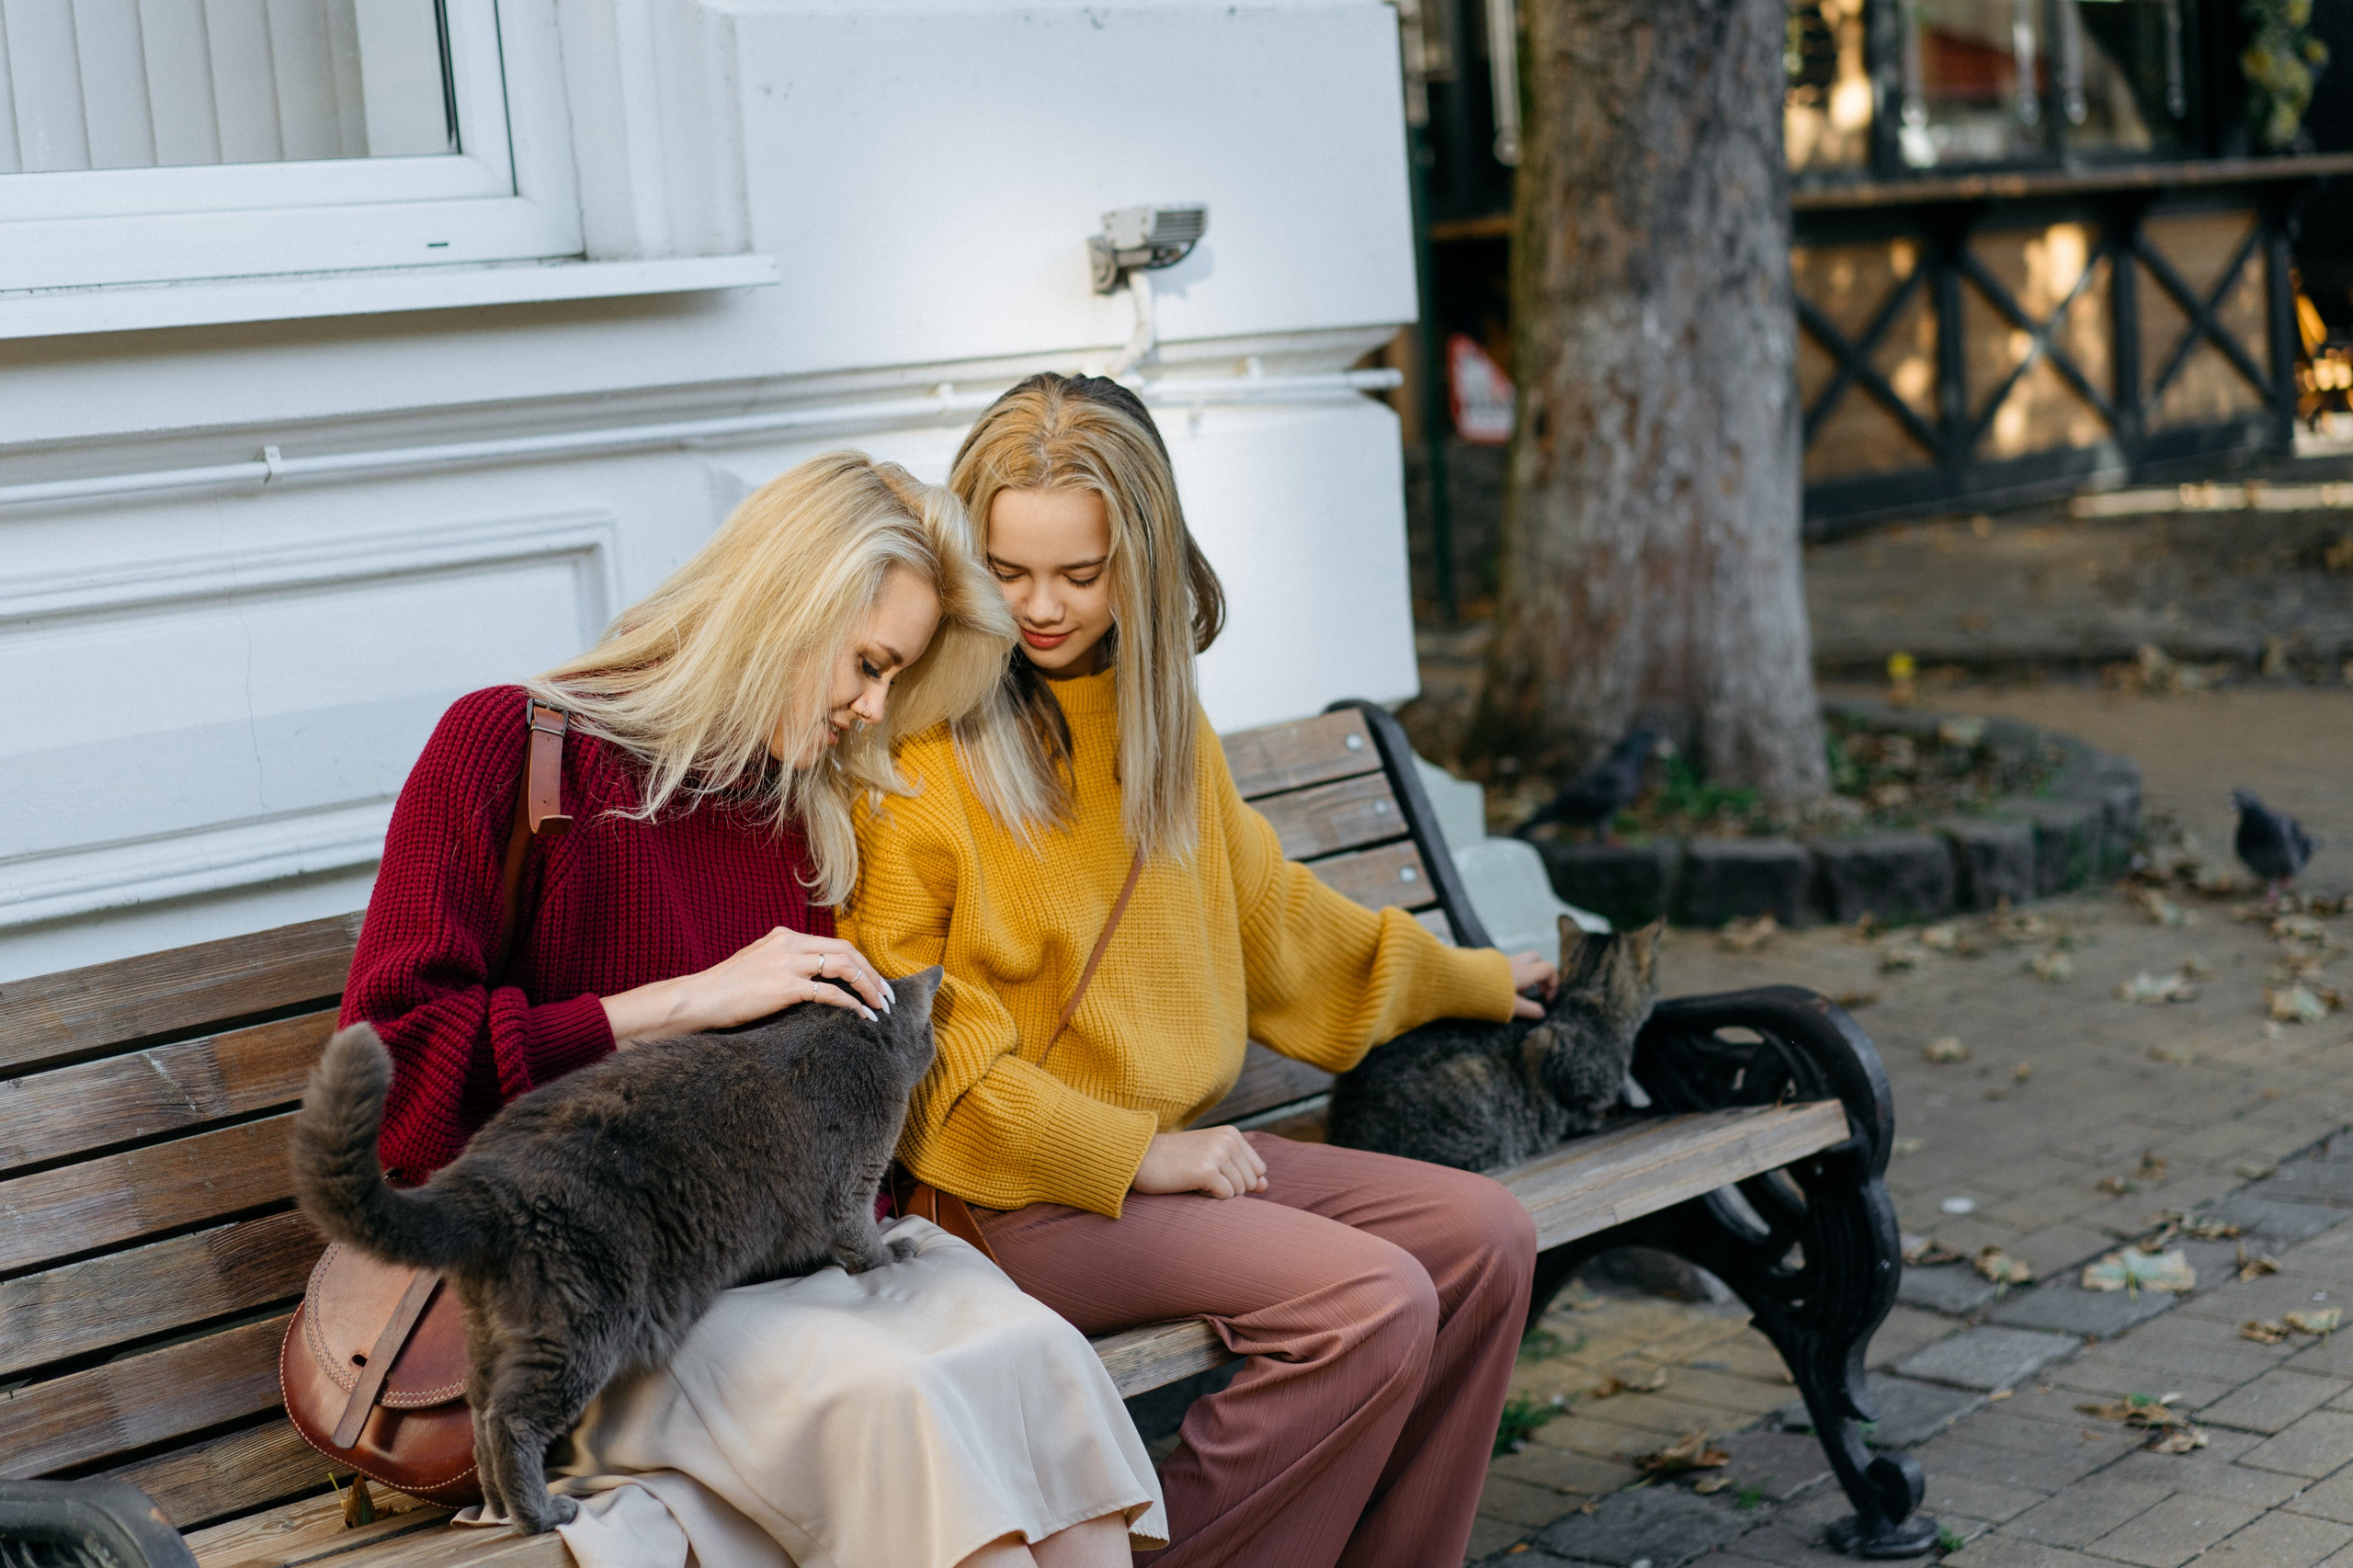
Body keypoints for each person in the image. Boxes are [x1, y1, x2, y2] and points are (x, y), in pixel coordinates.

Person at [341, 450, 1165, 1568]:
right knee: (903, 1401)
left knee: (1034, 1358)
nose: (871, 708)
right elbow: (396, 1081)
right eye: (868, 664)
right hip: (604, 1288)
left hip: (777, 1272)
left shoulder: (794, 811)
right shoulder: (514, 748)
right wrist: (677, 1003)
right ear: (789, 602)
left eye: (895, 677)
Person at [842, 376, 1558, 1568]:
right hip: (1009, 1194)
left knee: (1485, 1234)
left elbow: (1280, 922)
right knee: (1368, 1299)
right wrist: (1141, 1152)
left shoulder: (1162, 724)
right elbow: (923, 1056)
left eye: (1082, 572)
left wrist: (1477, 979)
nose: (1042, 608)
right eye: (1010, 571)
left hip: (1165, 1172)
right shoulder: (924, 751)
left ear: (1145, 556)